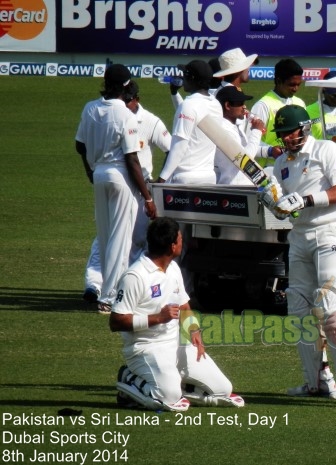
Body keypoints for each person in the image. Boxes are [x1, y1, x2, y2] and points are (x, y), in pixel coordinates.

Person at [258, 105, 336, 399]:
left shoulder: (327, 150)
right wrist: (273, 202)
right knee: (300, 311)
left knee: (331, 308)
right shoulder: (281, 165)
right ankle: (315, 382)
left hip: (329, 230)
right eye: (280, 135)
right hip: (299, 235)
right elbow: (282, 207)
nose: (285, 139)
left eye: (289, 132)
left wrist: (304, 200)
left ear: (304, 128)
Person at [111, 217, 244, 411]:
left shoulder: (173, 268)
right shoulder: (135, 276)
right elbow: (116, 322)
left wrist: (194, 331)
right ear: (172, 246)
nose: (184, 242)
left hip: (177, 344)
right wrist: (157, 318)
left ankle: (169, 381)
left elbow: (184, 306)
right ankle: (128, 378)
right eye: (181, 238)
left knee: (223, 390)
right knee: (169, 398)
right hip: (146, 348)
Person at [75, 64, 156, 313]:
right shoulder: (126, 116)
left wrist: (91, 172)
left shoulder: (90, 108)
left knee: (105, 236)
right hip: (121, 177)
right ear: (126, 87)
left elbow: (79, 145)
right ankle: (110, 298)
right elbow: (132, 160)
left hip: (99, 175)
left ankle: (106, 293)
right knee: (120, 241)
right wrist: (148, 197)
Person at [83, 81, 172, 303]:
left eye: (129, 101)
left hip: (140, 189)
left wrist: (159, 181)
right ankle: (95, 285)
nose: (126, 104)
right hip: (122, 183)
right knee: (107, 237)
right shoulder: (116, 114)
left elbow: (172, 148)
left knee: (135, 240)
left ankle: (125, 289)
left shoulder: (149, 121)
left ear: (136, 100)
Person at [156, 60, 221, 185]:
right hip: (209, 177)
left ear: (191, 78)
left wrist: (162, 179)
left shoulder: (189, 106)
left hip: (185, 179)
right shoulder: (215, 104)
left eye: (185, 74)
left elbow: (179, 147)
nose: (182, 78)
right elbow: (192, 116)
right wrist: (174, 93)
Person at [250, 58, 306, 154]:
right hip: (270, 166)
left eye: (298, 84)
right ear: (279, 81)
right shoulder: (263, 105)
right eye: (292, 84)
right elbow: (250, 141)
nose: (295, 89)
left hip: (296, 164)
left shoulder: (300, 103)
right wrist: (270, 151)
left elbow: (306, 133)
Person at [214, 86, 267, 185]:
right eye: (240, 103)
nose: (244, 107)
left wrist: (269, 151)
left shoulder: (233, 126)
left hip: (241, 185)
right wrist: (256, 131)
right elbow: (245, 161)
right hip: (234, 188)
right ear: (227, 106)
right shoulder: (224, 130)